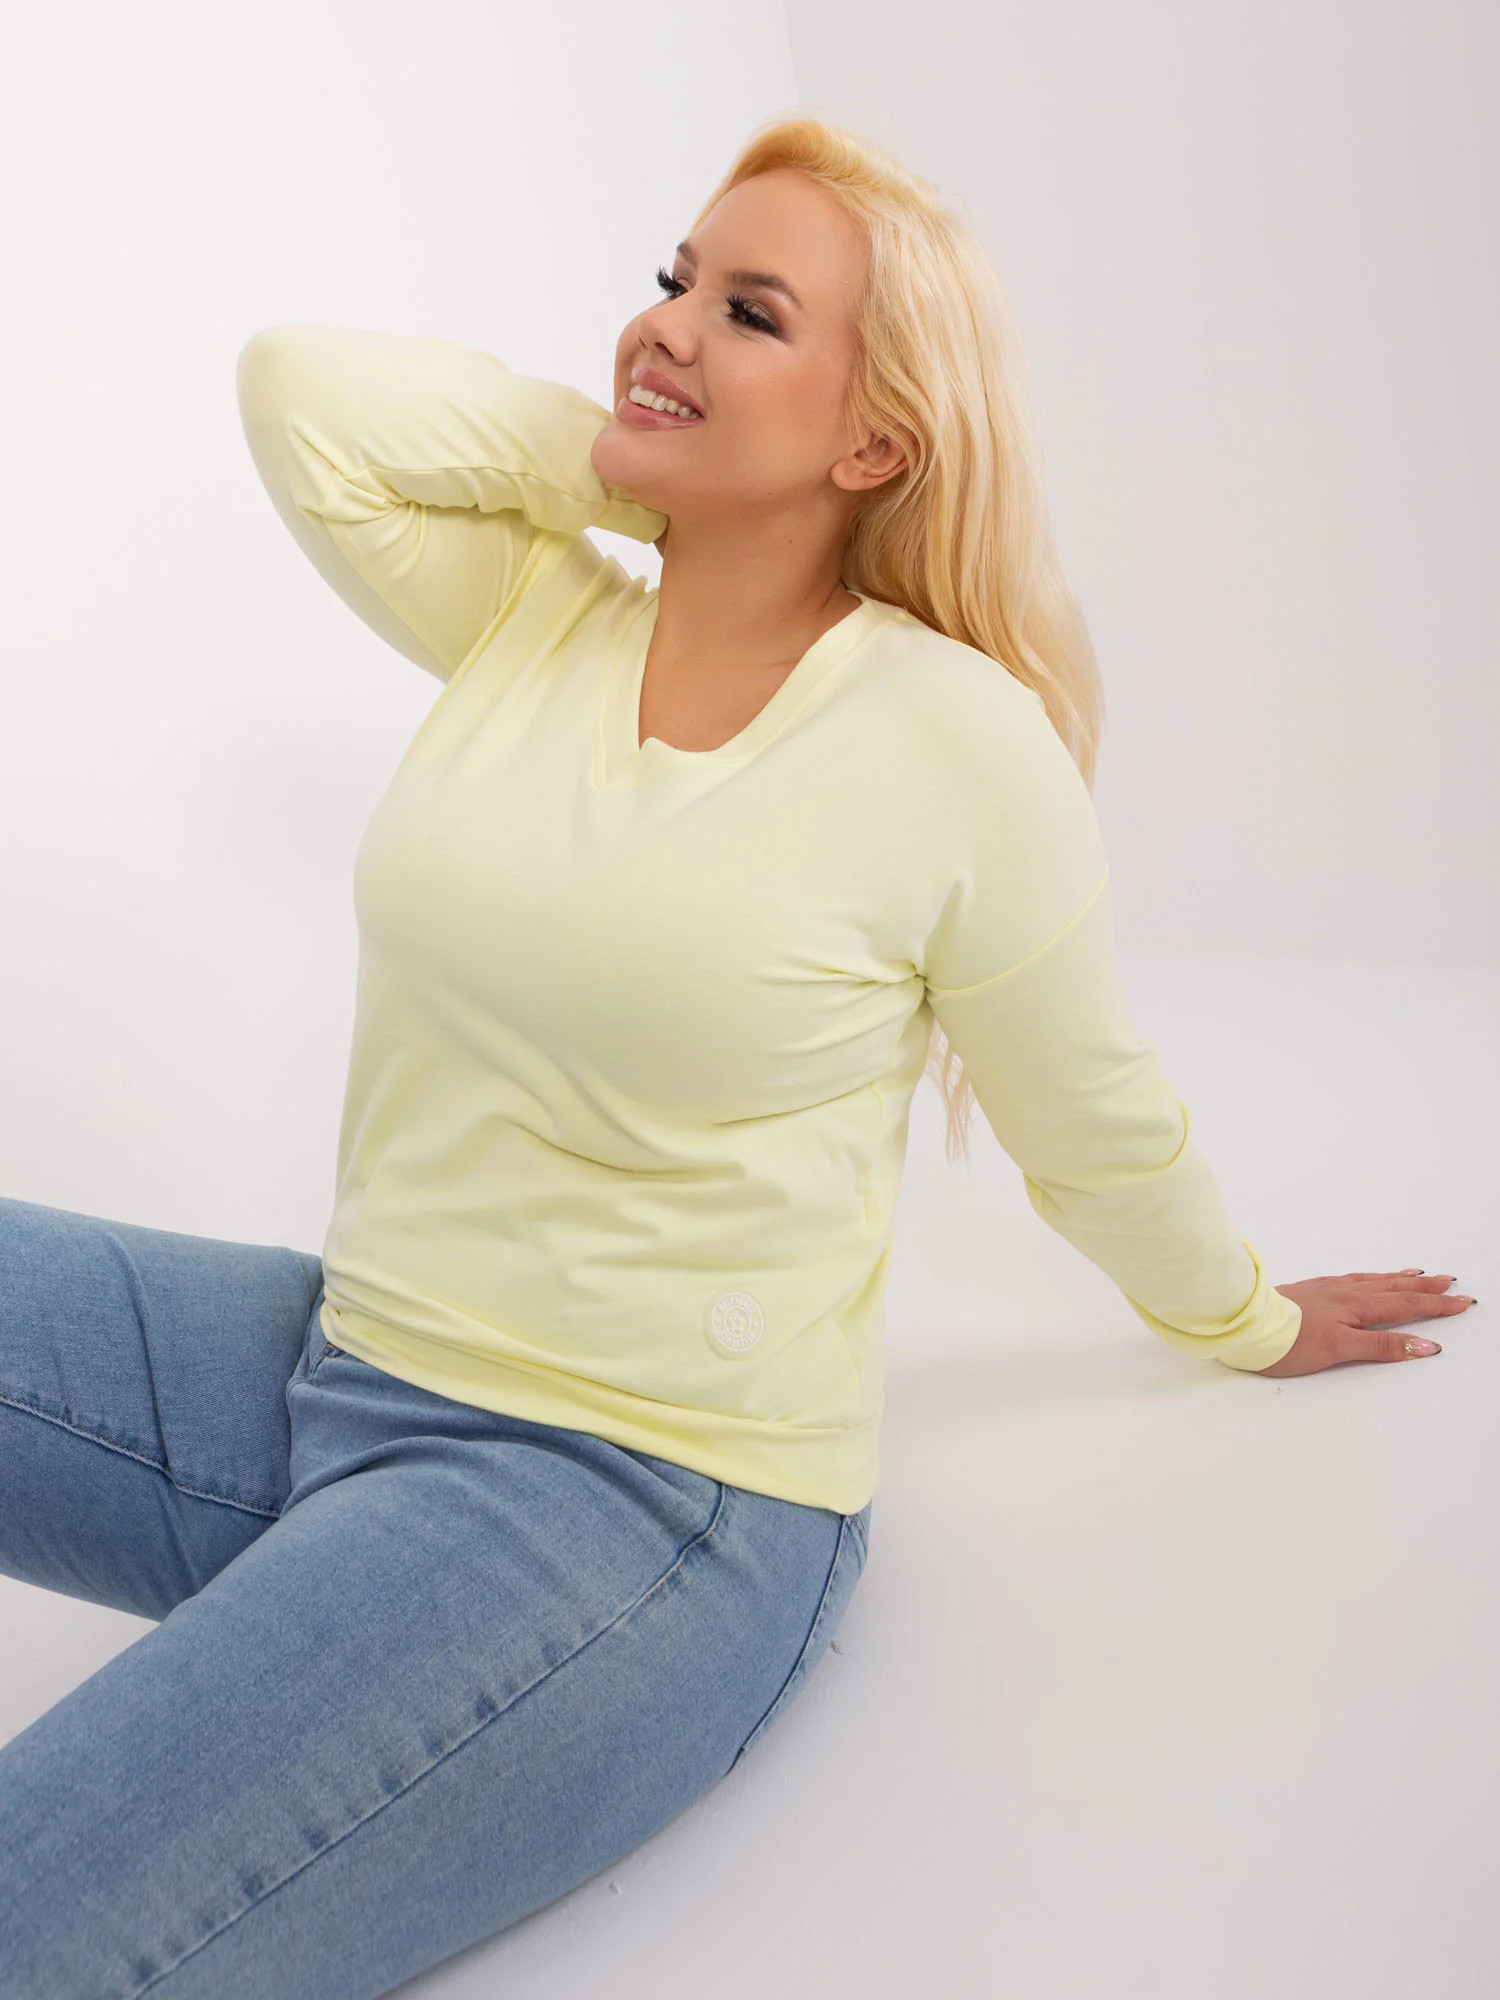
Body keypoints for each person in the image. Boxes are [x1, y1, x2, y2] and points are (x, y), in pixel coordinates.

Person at [0, 113, 1471, 2000]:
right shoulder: (535, 614)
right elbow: (303, 395)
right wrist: (643, 471)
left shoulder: (957, 744)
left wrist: (1245, 1316)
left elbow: (1089, 1118)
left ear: (877, 445)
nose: (668, 323)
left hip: (631, 1502)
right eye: (672, 278)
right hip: (346, 1355)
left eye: (751, 311)